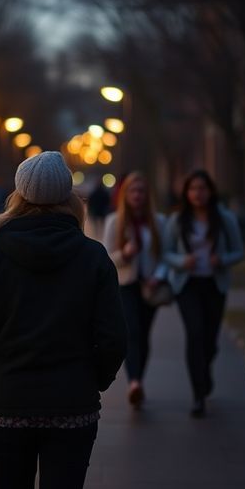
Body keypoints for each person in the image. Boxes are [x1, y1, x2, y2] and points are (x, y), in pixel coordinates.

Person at [0, 151, 127, 489]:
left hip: (6, 403)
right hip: (71, 405)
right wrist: (90, 380)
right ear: (68, 196)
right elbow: (113, 338)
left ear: (19, 194)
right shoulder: (92, 256)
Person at [162, 170, 244, 417]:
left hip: (214, 284)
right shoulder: (177, 220)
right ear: (186, 193)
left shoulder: (225, 218)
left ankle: (205, 373)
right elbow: (165, 252)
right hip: (187, 285)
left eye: (203, 188)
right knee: (195, 333)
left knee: (210, 339)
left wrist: (223, 259)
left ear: (211, 191)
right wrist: (181, 260)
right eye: (193, 189)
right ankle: (198, 395)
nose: (198, 193)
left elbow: (239, 251)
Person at [102, 171, 166, 409]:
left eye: (141, 191)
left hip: (150, 286)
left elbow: (164, 255)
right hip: (125, 285)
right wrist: (125, 254)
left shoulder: (158, 222)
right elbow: (107, 257)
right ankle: (134, 383)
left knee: (144, 334)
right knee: (132, 332)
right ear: (124, 194)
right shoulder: (114, 222)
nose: (137, 195)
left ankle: (139, 377)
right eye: (132, 191)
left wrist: (157, 277)